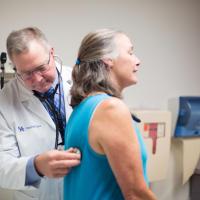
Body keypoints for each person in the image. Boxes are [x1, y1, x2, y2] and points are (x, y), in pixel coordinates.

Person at [64, 29, 157, 200]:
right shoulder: (111, 109)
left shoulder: (81, 110)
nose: (138, 61)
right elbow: (135, 194)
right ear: (107, 60)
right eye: (130, 52)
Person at [0, 27, 81, 200]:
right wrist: (35, 167)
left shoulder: (80, 80)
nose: (37, 79)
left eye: (41, 68)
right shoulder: (4, 100)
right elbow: (2, 167)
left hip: (81, 190)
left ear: (52, 53)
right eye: (26, 73)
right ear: (15, 68)